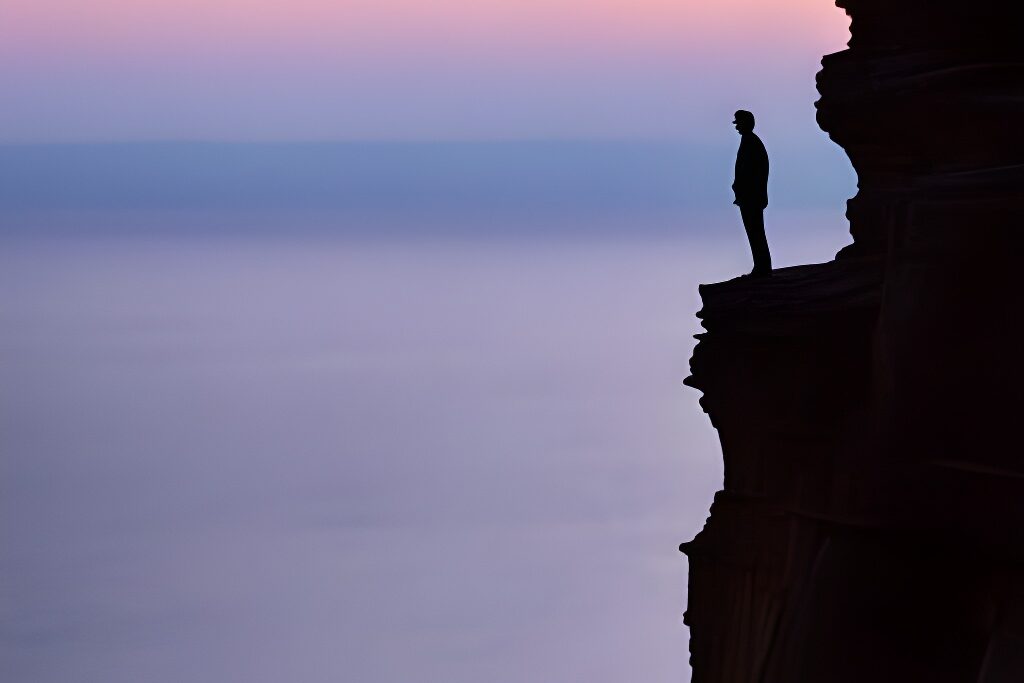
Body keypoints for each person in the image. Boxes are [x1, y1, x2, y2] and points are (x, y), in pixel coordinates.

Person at [732, 110, 772, 276]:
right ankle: (761, 266)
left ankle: (762, 268)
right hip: (749, 196)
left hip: (751, 197)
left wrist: (747, 191)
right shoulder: (749, 141)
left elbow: (754, 172)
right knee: (754, 232)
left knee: (755, 232)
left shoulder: (751, 142)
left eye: (738, 123)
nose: (737, 127)